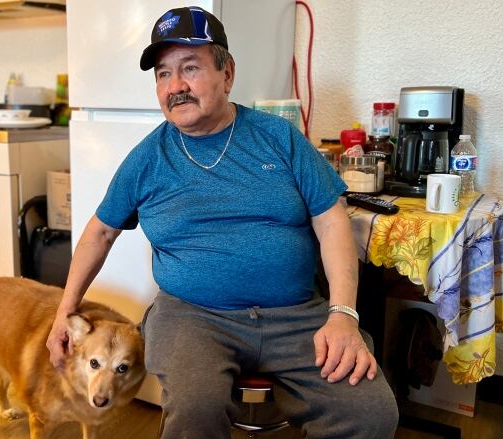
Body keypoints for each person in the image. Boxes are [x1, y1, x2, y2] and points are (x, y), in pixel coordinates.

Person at [47, 6, 399, 438]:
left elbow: (332, 221)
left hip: (296, 315)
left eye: (190, 68)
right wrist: (65, 312)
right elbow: (100, 232)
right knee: (196, 410)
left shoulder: (279, 137)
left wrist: (342, 315)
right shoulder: (147, 158)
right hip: (192, 315)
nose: (175, 86)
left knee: (370, 413)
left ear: (227, 74)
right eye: (163, 74)